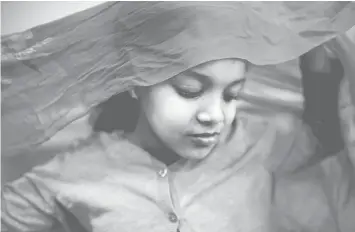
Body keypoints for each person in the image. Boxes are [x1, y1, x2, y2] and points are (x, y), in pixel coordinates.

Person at [1, 2, 355, 232]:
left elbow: (329, 130)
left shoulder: (263, 143)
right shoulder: (69, 177)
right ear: (134, 81)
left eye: (233, 94)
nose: (215, 115)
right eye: (189, 90)